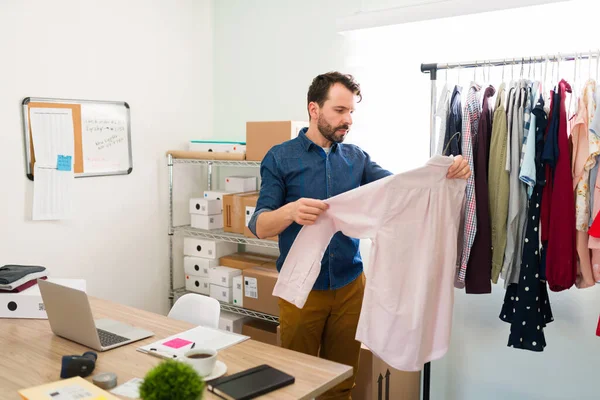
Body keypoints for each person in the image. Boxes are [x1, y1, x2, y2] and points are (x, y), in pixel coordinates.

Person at [248, 71, 471, 400]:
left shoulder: (357, 159)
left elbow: (401, 192)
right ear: (314, 109)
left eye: (351, 111)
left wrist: (444, 173)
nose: (348, 120)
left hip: (351, 288)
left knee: (341, 383)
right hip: (301, 292)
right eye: (339, 111)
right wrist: (290, 211)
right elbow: (259, 224)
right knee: (298, 385)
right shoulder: (280, 158)